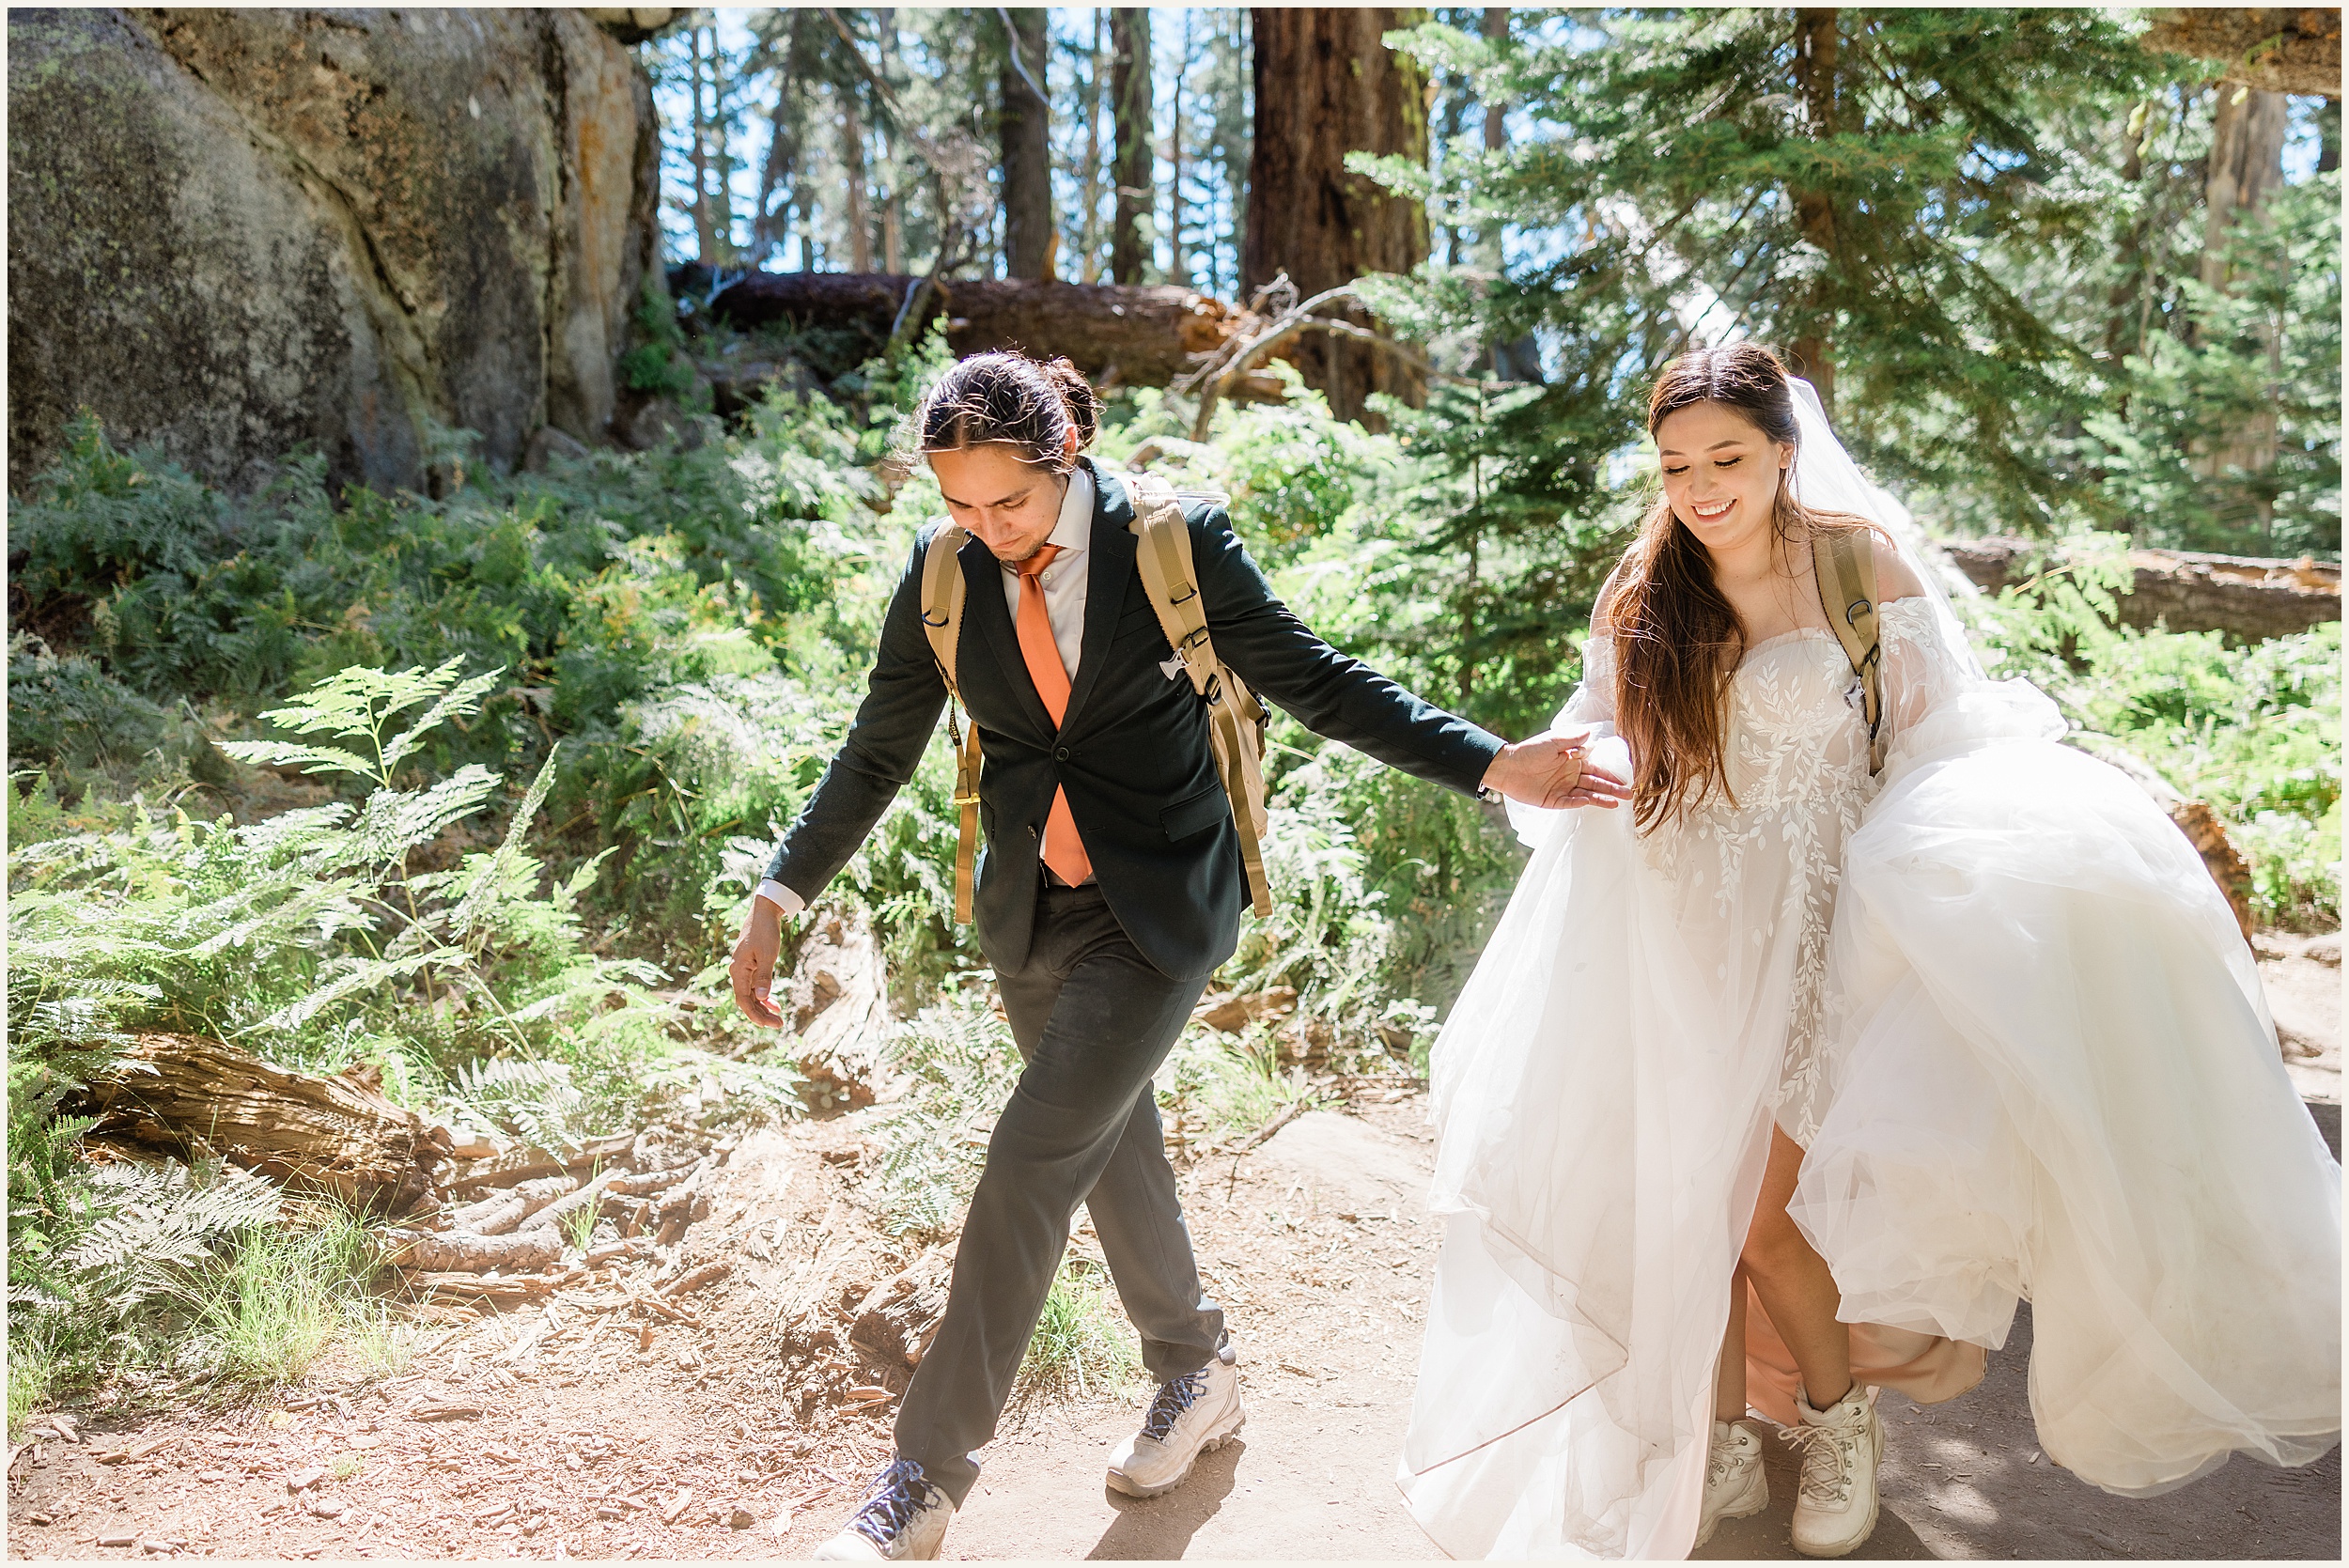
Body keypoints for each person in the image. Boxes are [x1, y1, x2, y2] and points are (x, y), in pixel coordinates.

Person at [1395, 343, 2342, 1560]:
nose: (1701, 487)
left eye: (1727, 457)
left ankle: (1840, 1422)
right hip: (1680, 930)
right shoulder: (1643, 588)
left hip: (1823, 930)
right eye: (1678, 463)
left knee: (1770, 1222)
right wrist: (1556, 757)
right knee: (1693, 1206)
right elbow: (1598, 727)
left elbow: (1939, 742)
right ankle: (1725, 1430)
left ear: (1784, 450)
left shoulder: (1856, 563)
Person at [728, 349, 1627, 1561]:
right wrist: (781, 891)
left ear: (1066, 462)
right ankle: (1197, 1370)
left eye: (1010, 502)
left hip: (1160, 911)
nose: (988, 529)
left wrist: (1489, 761)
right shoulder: (945, 576)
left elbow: (1314, 681)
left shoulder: (1171, 545)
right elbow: (880, 746)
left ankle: (921, 1481)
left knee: (1032, 1159)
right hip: (1031, 913)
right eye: (959, 505)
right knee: (1111, 1147)